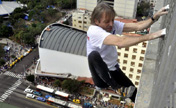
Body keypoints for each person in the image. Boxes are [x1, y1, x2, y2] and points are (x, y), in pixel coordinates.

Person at [87, 2, 168, 102]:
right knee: (93, 55)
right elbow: (121, 42)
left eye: (112, 20)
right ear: (96, 21)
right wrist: (150, 36)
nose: (111, 24)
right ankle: (117, 88)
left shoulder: (111, 25)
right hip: (101, 77)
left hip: (113, 70)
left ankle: (123, 90)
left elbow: (137, 26)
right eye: (107, 21)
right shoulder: (94, 31)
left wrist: (154, 17)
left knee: (135, 93)